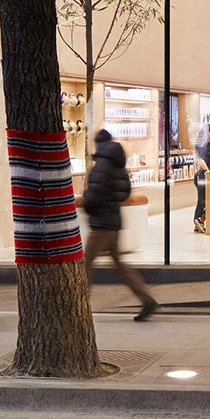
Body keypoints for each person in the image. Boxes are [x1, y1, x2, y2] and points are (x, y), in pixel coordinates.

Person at [82, 128, 159, 320]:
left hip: (101, 224)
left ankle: (80, 307)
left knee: (84, 265)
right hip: (114, 222)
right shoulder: (118, 165)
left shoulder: (101, 166)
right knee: (119, 265)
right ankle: (146, 299)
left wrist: (89, 204)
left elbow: (94, 194)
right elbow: (124, 192)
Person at [193, 123, 210, 233]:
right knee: (203, 201)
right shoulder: (202, 145)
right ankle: (198, 220)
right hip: (203, 176)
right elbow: (200, 160)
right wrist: (207, 170)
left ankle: (199, 221)